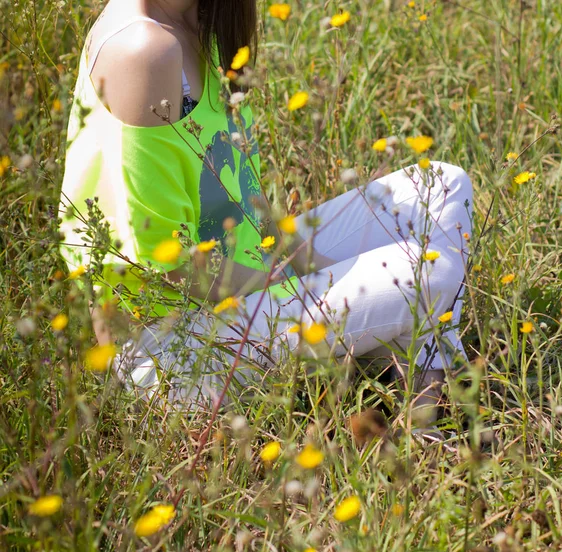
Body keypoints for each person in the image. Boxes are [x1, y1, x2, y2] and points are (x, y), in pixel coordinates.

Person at [58, 0, 473, 415]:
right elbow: (171, 265)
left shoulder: (199, 19)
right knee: (425, 273)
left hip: (246, 278)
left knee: (441, 185)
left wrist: (314, 262)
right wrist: (306, 277)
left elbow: (243, 191)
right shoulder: (145, 50)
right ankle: (424, 396)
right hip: (179, 348)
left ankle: (398, 350)